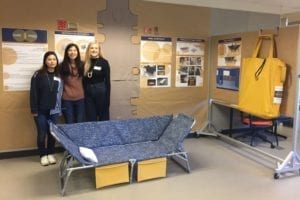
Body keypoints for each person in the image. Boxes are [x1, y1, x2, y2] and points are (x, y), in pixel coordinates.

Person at [30, 51, 63, 166]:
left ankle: (50, 153)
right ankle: (43, 155)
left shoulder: (59, 75)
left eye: (54, 59)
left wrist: (59, 109)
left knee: (52, 133)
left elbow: (60, 93)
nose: (52, 61)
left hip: (54, 110)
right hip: (40, 110)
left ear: (56, 61)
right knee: (42, 133)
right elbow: (33, 93)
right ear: (45, 61)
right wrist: (34, 110)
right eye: (49, 59)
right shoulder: (38, 74)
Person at [83, 42, 111, 121]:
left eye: (96, 48)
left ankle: (104, 133)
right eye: (92, 48)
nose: (94, 50)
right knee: (90, 117)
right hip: (88, 94)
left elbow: (108, 81)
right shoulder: (85, 63)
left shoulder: (104, 62)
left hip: (101, 92)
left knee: (103, 117)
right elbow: (83, 81)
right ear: (88, 50)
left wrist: (108, 99)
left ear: (99, 50)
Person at [59, 43, 85, 123]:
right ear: (67, 52)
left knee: (79, 122)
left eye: (74, 50)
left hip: (80, 99)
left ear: (77, 52)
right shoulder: (61, 66)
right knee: (69, 123)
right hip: (66, 100)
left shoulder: (83, 64)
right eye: (70, 50)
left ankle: (78, 136)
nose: (72, 52)